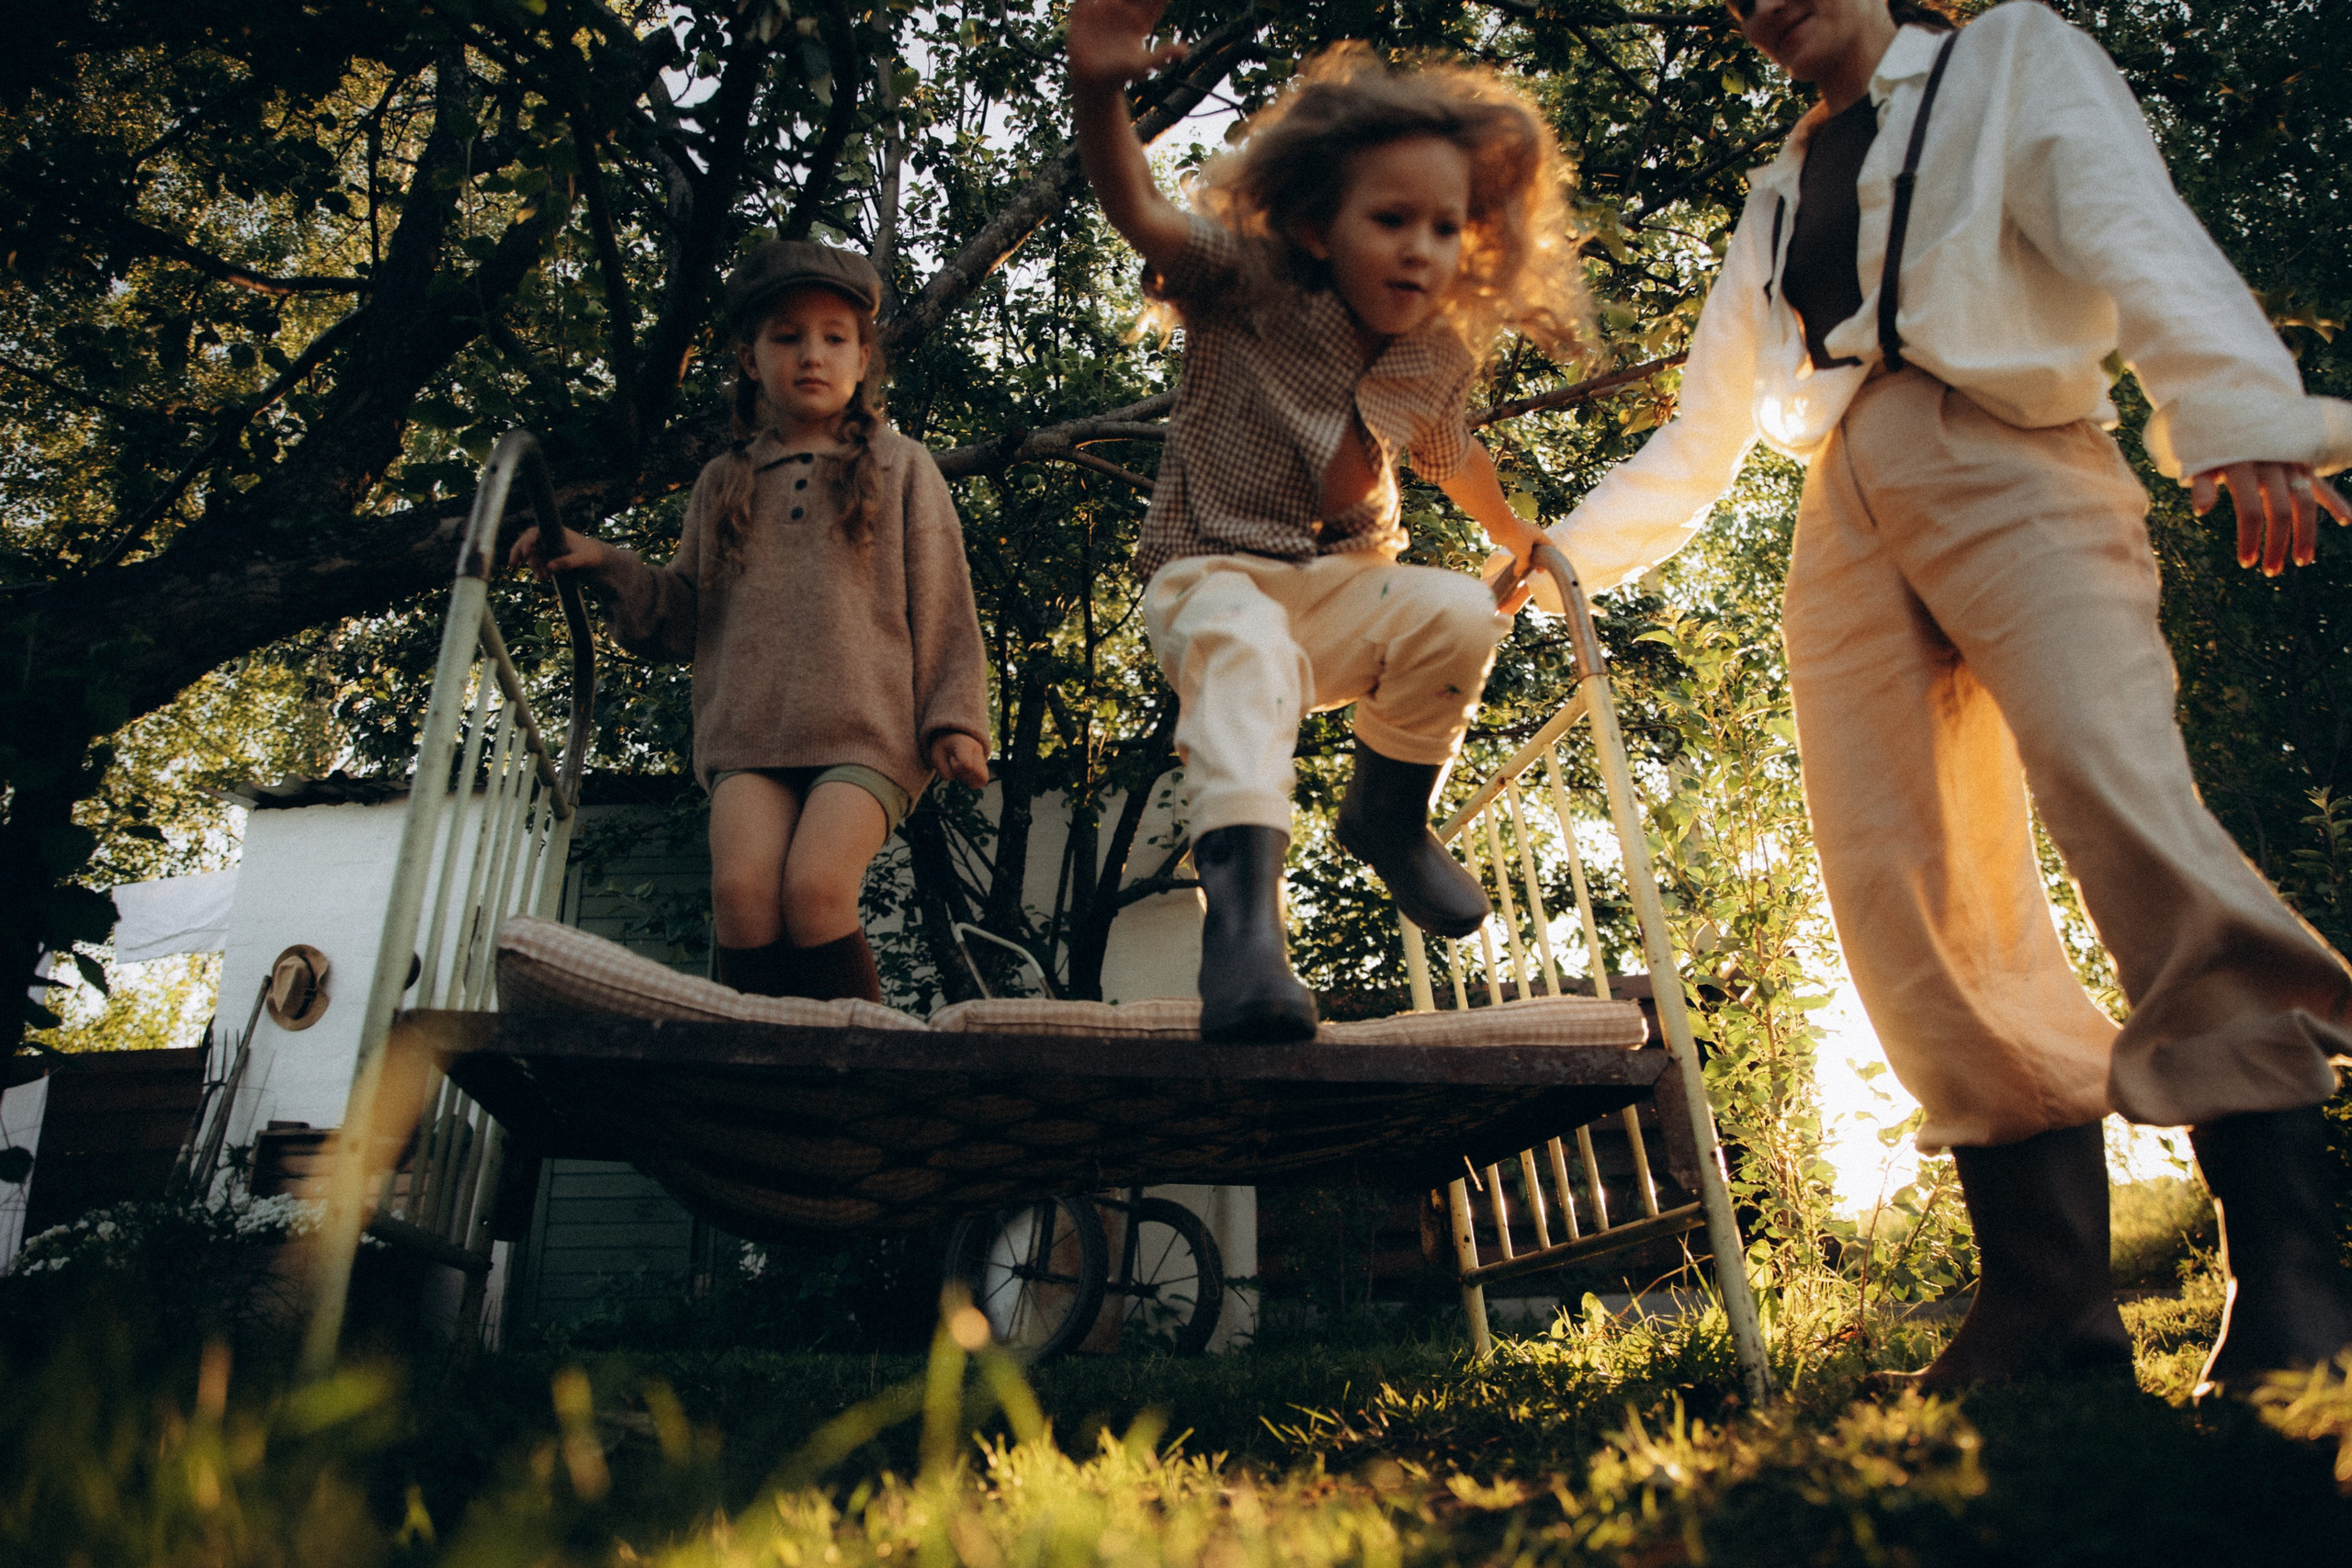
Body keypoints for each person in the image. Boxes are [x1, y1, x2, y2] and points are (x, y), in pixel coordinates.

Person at [1544, 0, 2352, 1396]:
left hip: (2015, 457)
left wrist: (2241, 417)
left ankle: (2287, 1269)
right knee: (1900, 875)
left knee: (2115, 793)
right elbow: (1702, 429)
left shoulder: (2005, 55)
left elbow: (2128, 221)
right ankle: (2047, 1297)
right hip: (1843, 510)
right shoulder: (1778, 187)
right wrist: (1550, 560)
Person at [1068, 0, 1590, 1043]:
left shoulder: (1435, 349)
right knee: (1247, 650)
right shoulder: (1247, 281)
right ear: (1318, 226)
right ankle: (1245, 933)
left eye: (1445, 228)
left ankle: (1387, 818)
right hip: (1211, 575)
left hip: (1341, 585)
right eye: (1391, 220)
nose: (1420, 251)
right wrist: (1097, 91)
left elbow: (1451, 456)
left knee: (1457, 612)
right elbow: (1141, 211)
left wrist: (1515, 535)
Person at [510, 241, 991, 1003]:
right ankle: (762, 1068)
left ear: (864, 357)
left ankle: (860, 1068)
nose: (812, 354)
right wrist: (602, 559)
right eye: (787, 336)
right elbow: (681, 618)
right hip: (748, 733)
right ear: (749, 357)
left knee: (815, 889)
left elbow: (945, 604)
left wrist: (955, 719)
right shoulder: (722, 481)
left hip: (868, 732)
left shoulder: (902, 465)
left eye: (834, 337)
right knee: (741, 896)